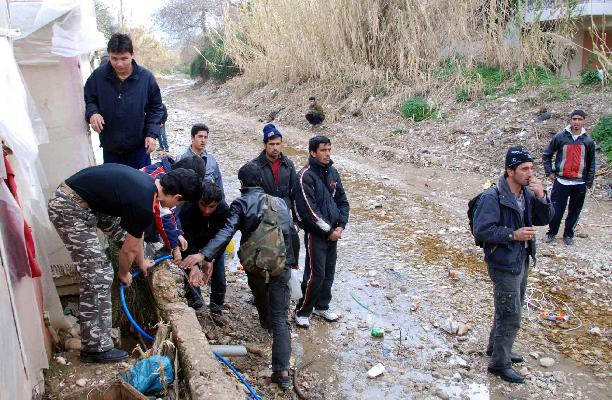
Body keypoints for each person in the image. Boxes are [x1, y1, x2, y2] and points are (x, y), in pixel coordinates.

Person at [47, 164, 201, 363]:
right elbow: (128, 250)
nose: (175, 207)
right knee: (99, 274)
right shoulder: (142, 200)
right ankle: (95, 348)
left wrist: (142, 261)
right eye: (179, 204)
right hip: (69, 208)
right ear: (177, 198)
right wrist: (123, 273)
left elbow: (137, 231)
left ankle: (95, 341)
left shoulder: (149, 185)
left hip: (89, 203)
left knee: (125, 236)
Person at [198, 162, 296, 390]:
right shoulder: (279, 202)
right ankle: (281, 371)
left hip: (255, 265)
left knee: (260, 293)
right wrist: (291, 264)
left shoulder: (241, 203)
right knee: (282, 316)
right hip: (281, 264)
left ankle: (265, 322)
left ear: (241, 183)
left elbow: (227, 232)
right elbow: (290, 232)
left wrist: (205, 254)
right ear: (260, 181)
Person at [473, 146, 554, 383]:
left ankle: (496, 349)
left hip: (521, 258)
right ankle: (499, 364)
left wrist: (542, 197)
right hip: (503, 262)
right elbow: (482, 231)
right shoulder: (492, 196)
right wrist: (513, 235)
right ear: (510, 170)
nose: (530, 173)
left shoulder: (526, 194)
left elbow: (544, 219)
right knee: (511, 314)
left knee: (508, 306)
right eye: (524, 169)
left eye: (531, 168)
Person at [293, 135, 350, 328]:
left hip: (334, 232)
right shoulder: (304, 176)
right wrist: (328, 231)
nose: (327, 154)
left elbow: (342, 201)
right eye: (323, 150)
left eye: (329, 150)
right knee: (315, 274)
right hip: (316, 234)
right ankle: (302, 310)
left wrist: (341, 225)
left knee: (329, 271)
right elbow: (309, 211)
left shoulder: (333, 172)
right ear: (312, 152)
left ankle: (322, 305)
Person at [84, 33, 164, 169]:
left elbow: (156, 108)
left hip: (139, 148)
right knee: (113, 187)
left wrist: (152, 134)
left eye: (124, 58)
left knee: (140, 186)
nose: (119, 64)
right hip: (110, 149)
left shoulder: (146, 78)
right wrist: (93, 113)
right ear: (109, 54)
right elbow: (89, 99)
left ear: (132, 54)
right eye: (114, 58)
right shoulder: (98, 76)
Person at [542, 110, 596, 245]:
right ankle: (551, 233)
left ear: (584, 121)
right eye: (574, 119)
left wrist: (588, 182)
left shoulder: (588, 141)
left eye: (579, 119)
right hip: (561, 181)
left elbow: (592, 163)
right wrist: (549, 172)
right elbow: (547, 155)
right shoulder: (560, 137)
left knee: (575, 211)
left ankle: (568, 235)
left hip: (579, 182)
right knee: (556, 209)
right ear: (570, 120)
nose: (576, 122)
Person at [141, 155, 206, 261]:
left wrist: (178, 233)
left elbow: (171, 210)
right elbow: (164, 215)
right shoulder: (162, 183)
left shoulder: (168, 175)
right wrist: (174, 247)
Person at [178, 182, 229, 313]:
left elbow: (222, 238)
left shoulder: (224, 209)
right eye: (203, 205)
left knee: (219, 276)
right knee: (190, 268)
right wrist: (194, 265)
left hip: (214, 243)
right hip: (191, 239)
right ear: (197, 200)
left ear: (218, 203)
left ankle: (217, 308)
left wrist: (210, 259)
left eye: (211, 207)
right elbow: (186, 235)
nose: (206, 210)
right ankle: (196, 305)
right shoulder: (188, 207)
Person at [252, 123, 300, 265]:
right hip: (265, 217)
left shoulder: (288, 165)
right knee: (268, 256)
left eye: (278, 144)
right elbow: (253, 197)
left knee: (290, 249)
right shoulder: (255, 166)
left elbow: (295, 192)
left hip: (285, 214)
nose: (275, 147)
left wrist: (296, 219)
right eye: (271, 144)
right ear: (265, 144)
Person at [177, 123, 224, 193]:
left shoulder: (211, 158)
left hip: (208, 199)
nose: (203, 140)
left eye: (205, 137)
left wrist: (221, 198)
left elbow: (218, 180)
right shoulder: (182, 158)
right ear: (192, 138)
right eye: (200, 136)